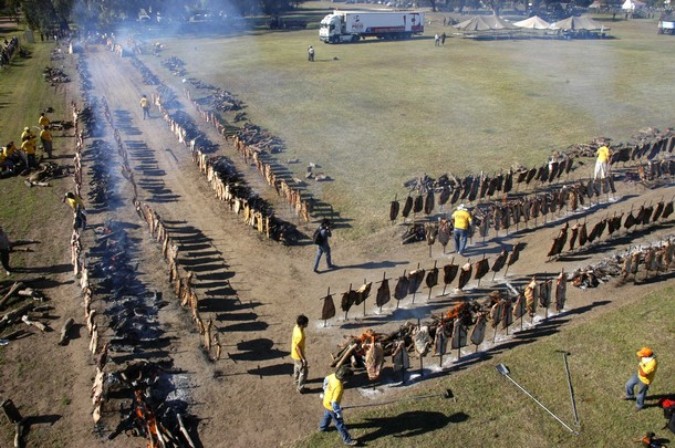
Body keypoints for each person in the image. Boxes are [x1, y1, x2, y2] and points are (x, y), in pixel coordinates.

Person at [319, 366, 358, 446]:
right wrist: (338, 412)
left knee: (327, 415)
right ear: (343, 377)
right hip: (332, 407)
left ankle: (322, 427)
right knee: (340, 424)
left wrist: (325, 392)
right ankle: (347, 440)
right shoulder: (339, 387)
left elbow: (325, 381)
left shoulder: (332, 376)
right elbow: (334, 403)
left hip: (326, 401)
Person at [624, 347, 658, 411]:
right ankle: (630, 396)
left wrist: (640, 365)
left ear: (646, 355)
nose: (640, 356)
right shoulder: (646, 358)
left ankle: (639, 405)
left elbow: (644, 374)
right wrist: (641, 365)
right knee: (628, 384)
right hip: (638, 375)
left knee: (641, 394)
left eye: (642, 355)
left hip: (644, 380)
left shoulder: (652, 363)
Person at [291, 314, 309, 393]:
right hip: (298, 355)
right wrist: (303, 359)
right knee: (304, 372)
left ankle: (295, 381)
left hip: (293, 354)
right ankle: (300, 388)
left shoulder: (296, 327)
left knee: (296, 367)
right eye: (306, 323)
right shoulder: (300, 335)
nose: (307, 324)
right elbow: (298, 348)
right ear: (302, 324)